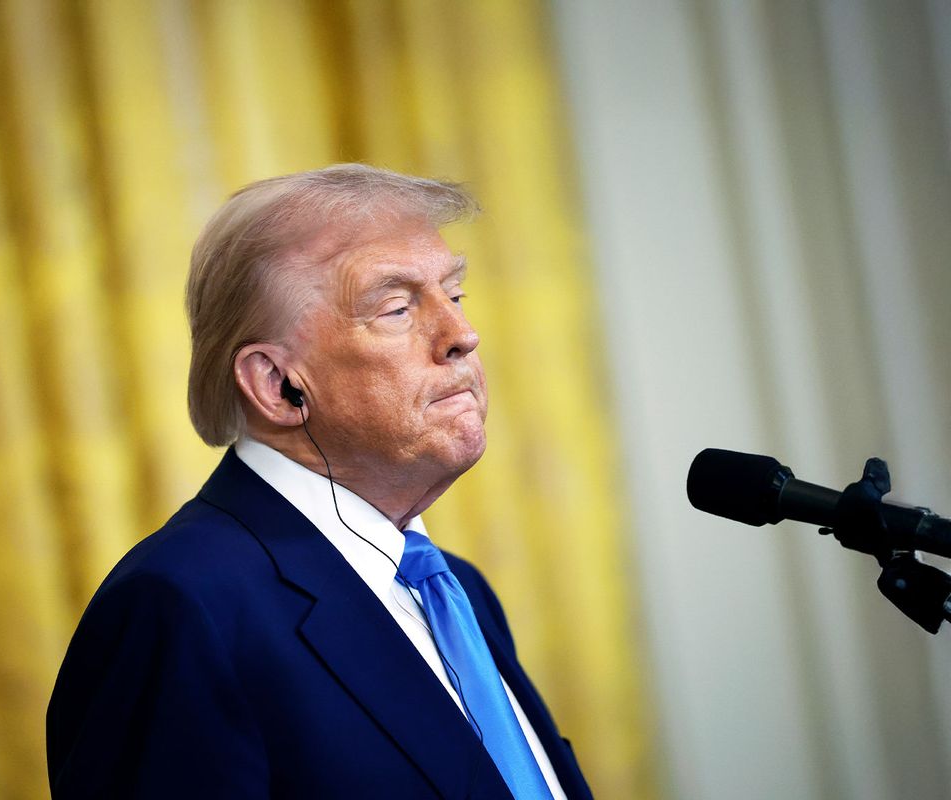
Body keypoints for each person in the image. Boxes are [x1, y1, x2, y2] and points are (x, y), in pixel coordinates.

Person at [46, 164, 593, 799]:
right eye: (396, 307)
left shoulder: (455, 589)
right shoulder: (180, 607)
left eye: (455, 295)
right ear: (278, 385)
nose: (462, 337)